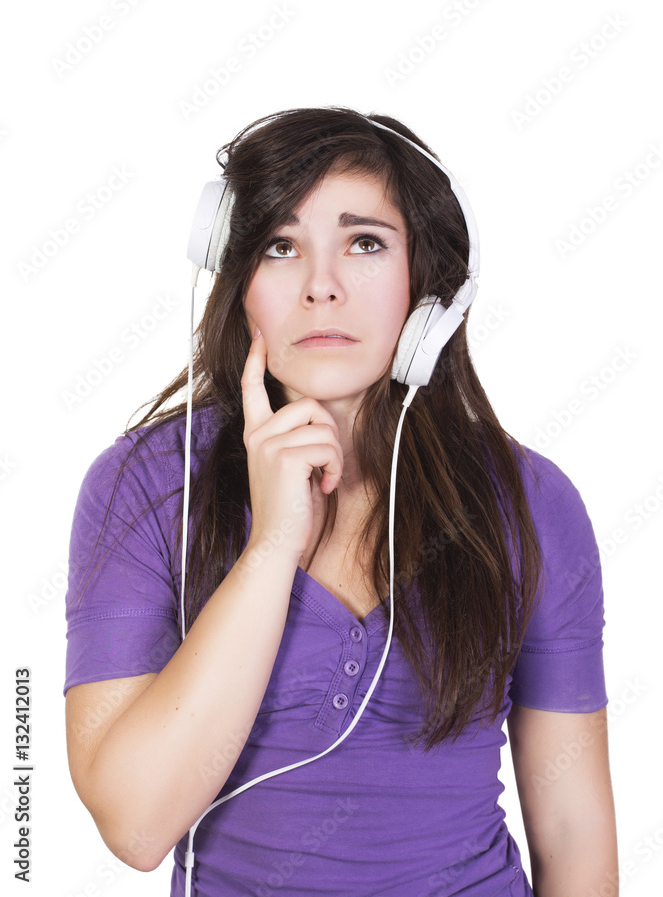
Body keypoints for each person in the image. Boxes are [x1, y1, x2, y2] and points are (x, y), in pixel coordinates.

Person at [64, 106, 618, 897]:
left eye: (364, 244)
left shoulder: (530, 500)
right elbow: (136, 826)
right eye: (279, 246)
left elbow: (572, 832)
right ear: (237, 281)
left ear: (430, 287)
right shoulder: (146, 485)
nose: (320, 287)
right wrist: (271, 547)